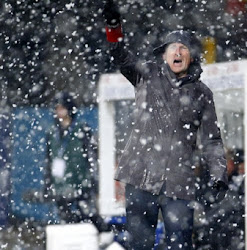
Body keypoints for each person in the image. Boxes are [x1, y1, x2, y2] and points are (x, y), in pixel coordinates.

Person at [103, 1, 228, 249]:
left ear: (191, 56)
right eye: (173, 48)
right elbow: (118, 54)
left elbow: (212, 140)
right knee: (140, 245)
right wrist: (113, 28)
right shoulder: (146, 74)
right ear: (164, 54)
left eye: (183, 48)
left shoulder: (202, 93)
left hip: (178, 183)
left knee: (180, 245)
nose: (178, 52)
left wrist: (218, 176)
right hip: (140, 177)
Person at [43, 92, 112, 232]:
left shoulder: (82, 129)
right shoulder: (51, 133)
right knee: (66, 224)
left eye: (62, 108)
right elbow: (48, 161)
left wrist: (93, 182)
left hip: (81, 185)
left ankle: (103, 236)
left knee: (87, 219)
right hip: (60, 187)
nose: (59, 112)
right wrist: (48, 184)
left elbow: (92, 158)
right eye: (57, 108)